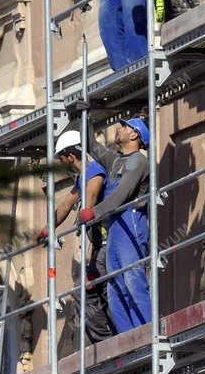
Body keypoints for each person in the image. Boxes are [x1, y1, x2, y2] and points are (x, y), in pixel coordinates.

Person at [40, 128, 115, 345]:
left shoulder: (93, 170)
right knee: (89, 293)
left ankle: (110, 341)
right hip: (96, 245)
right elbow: (66, 204)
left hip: (103, 244)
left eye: (61, 158)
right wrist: (49, 227)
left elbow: (93, 189)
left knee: (94, 291)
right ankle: (108, 341)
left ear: (70, 155)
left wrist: (88, 209)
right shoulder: (82, 177)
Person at [80, 118, 150, 335]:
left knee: (132, 281)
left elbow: (121, 195)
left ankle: (146, 332)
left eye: (125, 126)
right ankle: (128, 338)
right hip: (115, 229)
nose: (120, 129)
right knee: (115, 289)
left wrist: (95, 212)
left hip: (132, 226)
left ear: (135, 135)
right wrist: (83, 117)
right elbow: (93, 146)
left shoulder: (138, 162)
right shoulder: (115, 160)